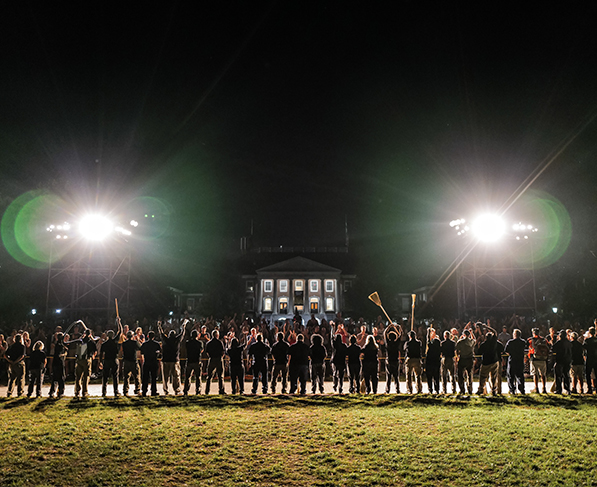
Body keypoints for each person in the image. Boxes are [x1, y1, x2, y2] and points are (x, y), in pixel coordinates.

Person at [66, 321, 99, 399]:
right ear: (90, 334)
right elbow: (95, 351)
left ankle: (77, 391)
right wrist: (93, 356)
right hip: (87, 360)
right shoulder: (91, 342)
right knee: (86, 376)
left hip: (79, 359)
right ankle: (84, 391)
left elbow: (72, 343)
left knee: (78, 377)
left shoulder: (80, 341)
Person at [158, 320, 187, 395]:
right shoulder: (176, 340)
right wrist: (183, 327)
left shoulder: (166, 340)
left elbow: (161, 334)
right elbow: (182, 334)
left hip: (165, 360)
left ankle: (166, 390)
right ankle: (177, 390)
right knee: (176, 376)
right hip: (174, 360)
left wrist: (159, 326)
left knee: (165, 377)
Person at [100, 319, 123, 397]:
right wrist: (119, 322)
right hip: (114, 360)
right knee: (115, 376)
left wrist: (100, 362)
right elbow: (120, 331)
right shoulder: (115, 341)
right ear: (113, 335)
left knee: (105, 377)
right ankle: (116, 391)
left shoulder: (104, 344)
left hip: (106, 360)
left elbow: (101, 353)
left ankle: (104, 391)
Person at [477, 327, 502, 395]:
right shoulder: (494, 342)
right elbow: (495, 331)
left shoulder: (484, 344)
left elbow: (479, 352)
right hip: (494, 361)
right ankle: (494, 390)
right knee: (493, 377)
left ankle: (481, 389)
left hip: (486, 362)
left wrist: (479, 346)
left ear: (486, 338)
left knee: (483, 376)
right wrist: (487, 327)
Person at [504, 329, 526, 394]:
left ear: (514, 335)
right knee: (520, 376)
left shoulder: (510, 342)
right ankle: (521, 389)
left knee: (511, 376)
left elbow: (506, 350)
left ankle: (512, 389)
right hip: (520, 360)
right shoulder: (523, 342)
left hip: (512, 360)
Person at [528, 328, 549, 394]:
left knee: (535, 374)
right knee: (543, 374)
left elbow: (529, 347)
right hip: (543, 358)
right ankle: (544, 388)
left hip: (534, 358)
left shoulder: (530, 340)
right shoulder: (544, 340)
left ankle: (536, 388)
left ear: (533, 333)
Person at [140, 331, 162, 396]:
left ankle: (144, 390)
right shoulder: (156, 344)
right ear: (154, 337)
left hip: (146, 361)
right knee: (153, 377)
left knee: (145, 377)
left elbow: (142, 352)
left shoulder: (144, 344)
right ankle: (153, 391)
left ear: (148, 336)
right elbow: (160, 352)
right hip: (154, 361)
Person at [204, 329, 225, 394]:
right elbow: (223, 351)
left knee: (209, 376)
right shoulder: (220, 342)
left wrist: (210, 356)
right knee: (220, 376)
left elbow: (207, 352)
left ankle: (207, 390)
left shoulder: (209, 343)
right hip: (218, 359)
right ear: (217, 335)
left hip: (212, 359)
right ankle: (221, 390)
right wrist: (221, 357)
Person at [183, 329, 204, 395]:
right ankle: (198, 390)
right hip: (197, 361)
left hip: (189, 361)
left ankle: (186, 390)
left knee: (187, 377)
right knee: (198, 377)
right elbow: (201, 350)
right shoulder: (199, 343)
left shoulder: (188, 343)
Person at [121, 330, 142, 396]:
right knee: (137, 376)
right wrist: (138, 340)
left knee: (126, 377)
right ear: (132, 336)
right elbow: (141, 348)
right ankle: (137, 390)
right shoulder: (135, 342)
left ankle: (125, 390)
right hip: (133, 360)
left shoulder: (124, 343)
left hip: (126, 361)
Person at [455, 328, 475, 394]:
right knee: (469, 375)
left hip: (462, 359)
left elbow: (457, 350)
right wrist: (471, 333)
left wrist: (457, 356)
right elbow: (474, 340)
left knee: (460, 375)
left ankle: (462, 389)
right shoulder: (471, 341)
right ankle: (470, 389)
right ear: (469, 335)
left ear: (463, 335)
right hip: (470, 359)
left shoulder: (460, 342)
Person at [552, 330, 572, 394]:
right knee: (566, 375)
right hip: (567, 361)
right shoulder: (569, 343)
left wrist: (554, 357)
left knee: (558, 376)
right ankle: (567, 389)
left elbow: (553, 350)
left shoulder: (558, 343)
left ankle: (559, 389)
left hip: (560, 361)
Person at [48, 332, 67, 398]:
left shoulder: (57, 344)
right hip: (59, 363)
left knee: (55, 378)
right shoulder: (60, 345)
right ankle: (60, 392)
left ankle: (52, 392)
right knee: (61, 378)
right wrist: (65, 353)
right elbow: (60, 355)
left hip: (55, 363)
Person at [384, 324, 401, 394]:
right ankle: (397, 390)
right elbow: (400, 335)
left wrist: (388, 327)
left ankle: (387, 390)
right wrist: (399, 329)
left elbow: (385, 334)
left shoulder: (388, 343)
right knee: (396, 377)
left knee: (389, 377)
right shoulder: (396, 343)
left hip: (389, 361)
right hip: (395, 361)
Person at [425, 327, 441, 394]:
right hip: (436, 362)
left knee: (429, 377)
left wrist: (428, 332)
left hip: (430, 362)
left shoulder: (430, 346)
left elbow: (428, 340)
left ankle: (430, 389)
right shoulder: (438, 347)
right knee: (436, 377)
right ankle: (437, 389)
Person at [583, 326, 597, 394]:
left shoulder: (587, 340)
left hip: (589, 358)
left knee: (588, 374)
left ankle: (589, 388)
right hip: (596, 358)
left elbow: (584, 347)